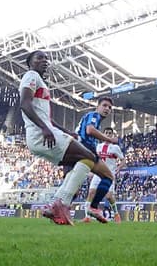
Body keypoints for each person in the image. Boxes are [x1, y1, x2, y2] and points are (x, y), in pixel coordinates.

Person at [19, 50, 114, 225]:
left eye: (46, 58)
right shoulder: (31, 75)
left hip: (46, 133)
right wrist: (44, 129)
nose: (44, 60)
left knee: (84, 161)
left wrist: (65, 131)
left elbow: (47, 118)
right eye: (39, 57)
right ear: (30, 62)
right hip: (42, 134)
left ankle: (58, 204)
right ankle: (60, 203)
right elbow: (24, 104)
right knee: (89, 157)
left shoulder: (40, 82)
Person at [74, 96, 120, 223]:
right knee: (106, 179)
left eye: (109, 107)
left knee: (74, 186)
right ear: (97, 106)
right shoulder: (94, 115)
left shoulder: (114, 148)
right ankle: (92, 209)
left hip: (82, 150)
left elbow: (123, 160)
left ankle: (60, 208)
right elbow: (89, 130)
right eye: (104, 105)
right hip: (83, 149)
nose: (107, 109)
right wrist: (108, 139)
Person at [81, 127, 125, 224]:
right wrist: (91, 170)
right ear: (103, 134)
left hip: (109, 174)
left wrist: (119, 168)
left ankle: (116, 214)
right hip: (98, 173)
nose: (108, 134)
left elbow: (123, 160)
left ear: (112, 135)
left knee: (109, 196)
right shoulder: (98, 146)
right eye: (106, 133)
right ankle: (87, 217)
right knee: (91, 193)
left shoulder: (115, 148)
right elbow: (94, 159)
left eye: (110, 133)